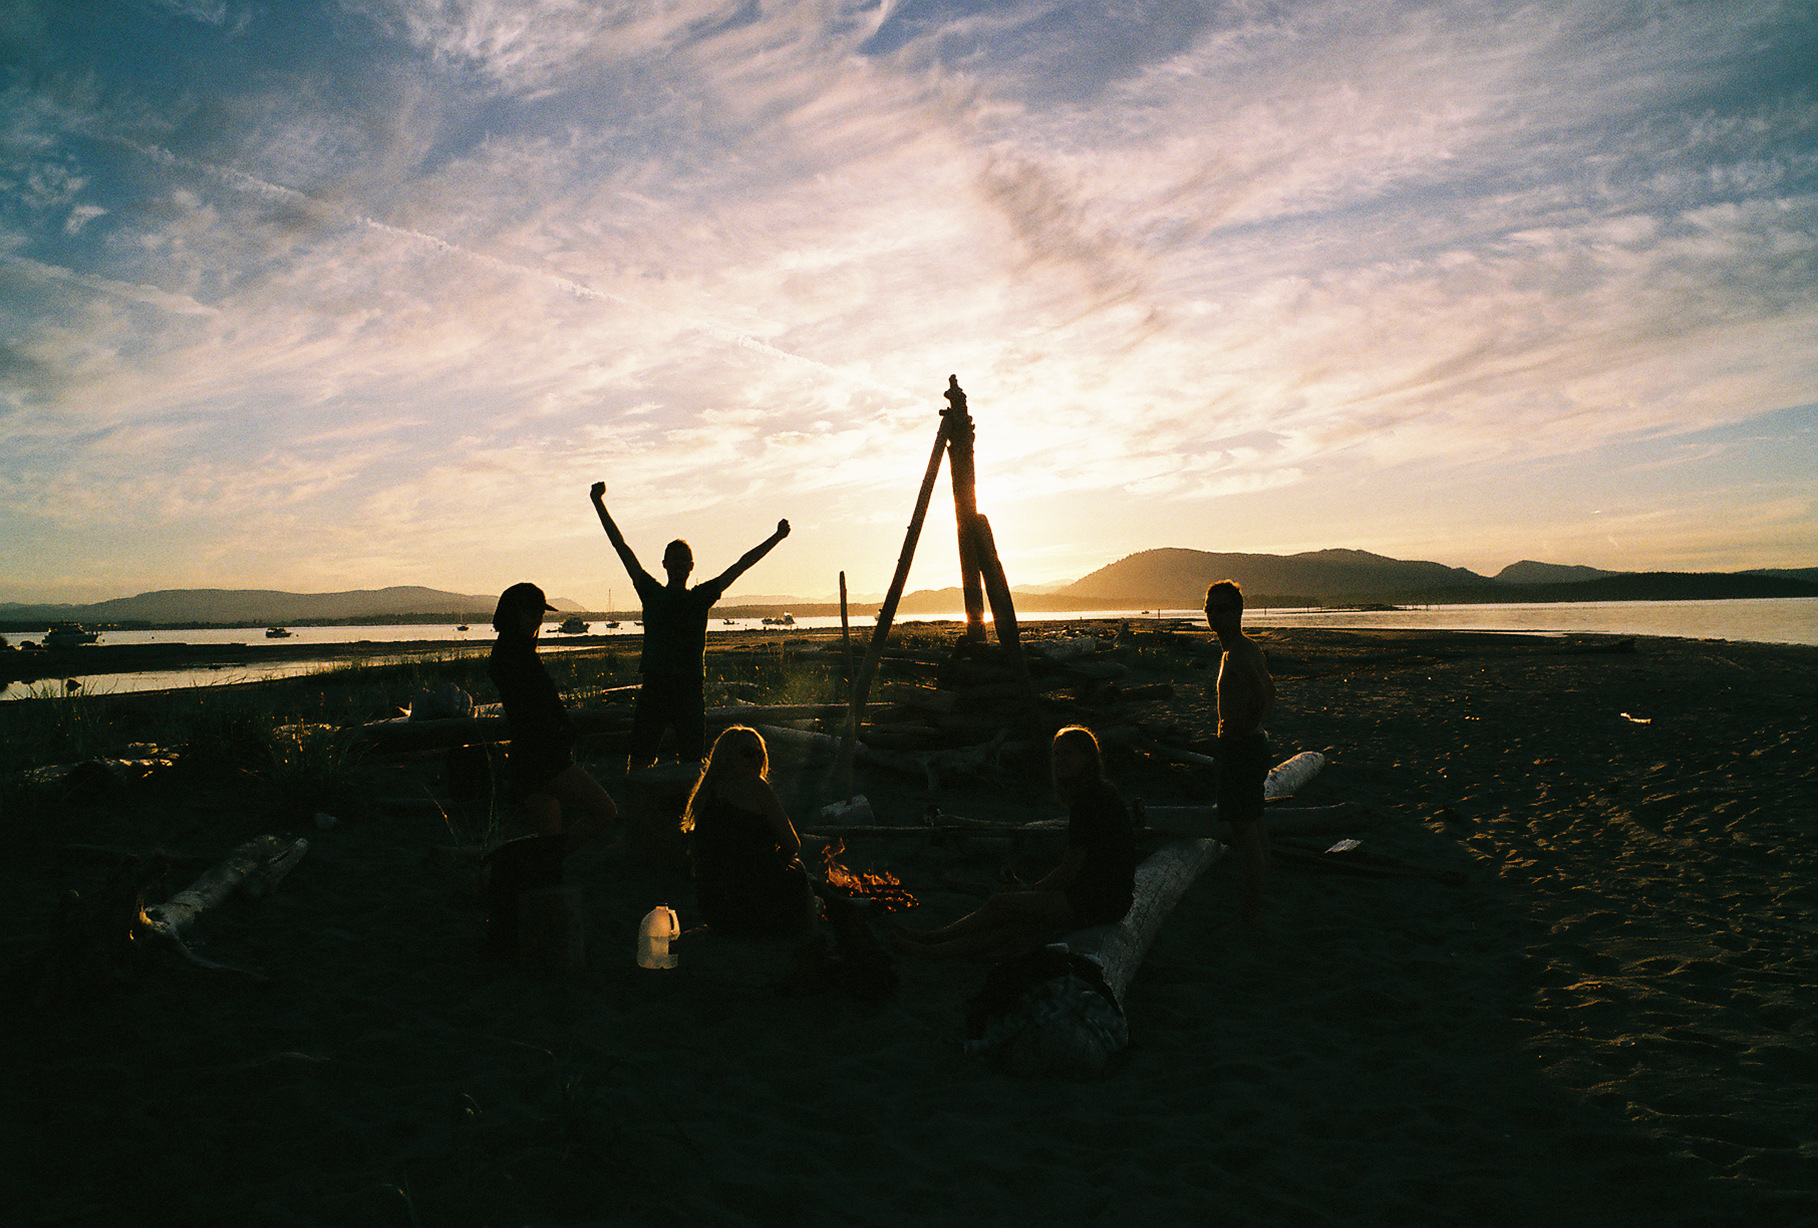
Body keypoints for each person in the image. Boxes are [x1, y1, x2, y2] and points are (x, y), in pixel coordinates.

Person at [589, 481, 790, 768]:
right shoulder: (652, 592)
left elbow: (742, 564)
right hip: (656, 683)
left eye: (685, 560)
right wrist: (598, 502)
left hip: (689, 686)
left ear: (692, 566)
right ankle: (643, 804)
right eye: (675, 559)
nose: (681, 564)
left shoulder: (701, 597)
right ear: (665, 564)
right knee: (642, 756)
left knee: (693, 760)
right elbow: (620, 546)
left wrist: (777, 537)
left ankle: (688, 808)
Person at [892, 726, 1135, 960]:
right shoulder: (1097, 793)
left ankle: (932, 940)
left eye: (1068, 753)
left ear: (1087, 757)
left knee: (1001, 903)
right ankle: (933, 945)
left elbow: (1070, 870)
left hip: (1096, 901)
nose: (1060, 760)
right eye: (1057, 754)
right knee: (1016, 923)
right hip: (1105, 897)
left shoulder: (1090, 802)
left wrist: (1030, 890)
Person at [487, 582, 619, 854]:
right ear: (514, 613)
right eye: (531, 613)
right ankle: (548, 859)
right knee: (605, 810)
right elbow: (533, 711)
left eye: (541, 614)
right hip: (543, 758)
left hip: (532, 758)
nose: (538, 620)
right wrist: (561, 730)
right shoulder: (516, 657)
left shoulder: (512, 652)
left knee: (548, 837)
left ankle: (534, 865)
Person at [684, 726, 817, 937]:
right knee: (797, 868)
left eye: (760, 754)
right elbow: (792, 844)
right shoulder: (756, 787)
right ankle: (811, 930)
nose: (755, 759)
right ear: (728, 757)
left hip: (716, 911)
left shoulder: (705, 794)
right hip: (753, 908)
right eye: (747, 753)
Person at [1204, 579, 1276, 930]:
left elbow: (1262, 691)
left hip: (1241, 748)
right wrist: (1257, 725)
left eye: (1220, 608)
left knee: (1244, 830)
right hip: (1251, 744)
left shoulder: (1236, 653)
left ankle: (1251, 911)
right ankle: (1260, 899)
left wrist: (1246, 727)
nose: (1212, 615)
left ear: (1237, 612)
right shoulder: (1245, 648)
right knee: (1255, 821)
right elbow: (1270, 687)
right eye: (1208, 608)